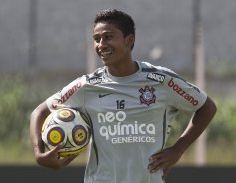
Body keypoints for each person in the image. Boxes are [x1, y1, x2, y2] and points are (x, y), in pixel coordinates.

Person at [30, 9, 217, 183]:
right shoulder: (86, 86)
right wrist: (39, 154)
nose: (101, 45)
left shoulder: (161, 80)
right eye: (96, 39)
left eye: (108, 37)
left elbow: (206, 107)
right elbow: (39, 112)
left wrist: (178, 149)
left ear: (129, 40)